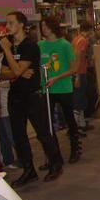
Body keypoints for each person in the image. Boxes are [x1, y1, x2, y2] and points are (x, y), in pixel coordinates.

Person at [0, 11, 63, 187]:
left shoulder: (30, 45)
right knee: (19, 136)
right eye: (7, 23)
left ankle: (55, 164)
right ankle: (29, 170)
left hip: (32, 95)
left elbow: (15, 70)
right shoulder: (11, 45)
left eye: (11, 22)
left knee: (43, 133)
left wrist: (12, 63)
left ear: (21, 25)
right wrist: (17, 71)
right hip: (15, 96)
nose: (8, 26)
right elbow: (2, 74)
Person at [38, 16, 82, 164]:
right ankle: (54, 155)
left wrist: (56, 78)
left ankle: (75, 148)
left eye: (46, 26)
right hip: (47, 89)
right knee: (48, 123)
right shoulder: (40, 45)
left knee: (69, 119)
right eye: (42, 26)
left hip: (63, 88)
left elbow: (74, 67)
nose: (44, 29)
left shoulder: (65, 45)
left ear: (53, 27)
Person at [0, 36, 17, 167]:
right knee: (2, 134)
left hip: (6, 103)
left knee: (11, 133)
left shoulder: (5, 61)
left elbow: (11, 81)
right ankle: (8, 160)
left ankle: (22, 158)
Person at [72, 22, 93, 133]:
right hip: (80, 72)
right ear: (89, 30)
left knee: (80, 98)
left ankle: (82, 124)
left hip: (76, 72)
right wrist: (77, 75)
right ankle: (75, 127)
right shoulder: (83, 41)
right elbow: (78, 56)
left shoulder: (75, 39)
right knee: (79, 100)